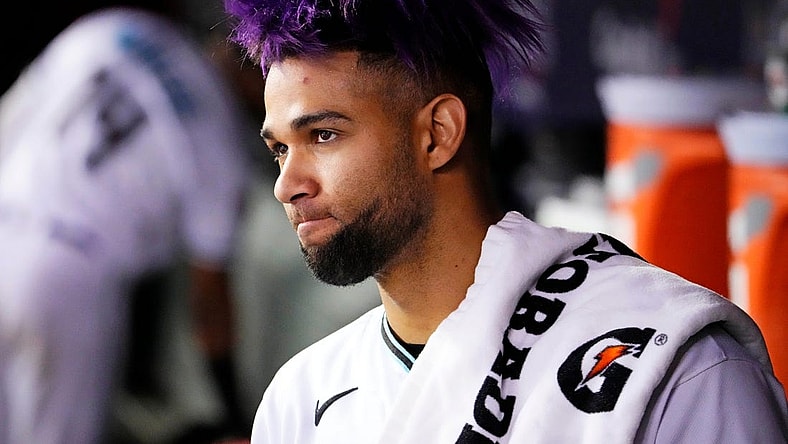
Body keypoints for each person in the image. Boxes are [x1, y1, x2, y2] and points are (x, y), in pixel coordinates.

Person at [222, 0, 788, 442]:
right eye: (279, 150)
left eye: (324, 136)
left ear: (438, 133)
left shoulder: (675, 368)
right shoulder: (300, 397)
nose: (287, 184)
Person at [0, 7, 252, 443]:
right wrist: (233, 411)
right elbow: (209, 303)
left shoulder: (117, 27)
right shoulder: (221, 136)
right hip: (71, 278)